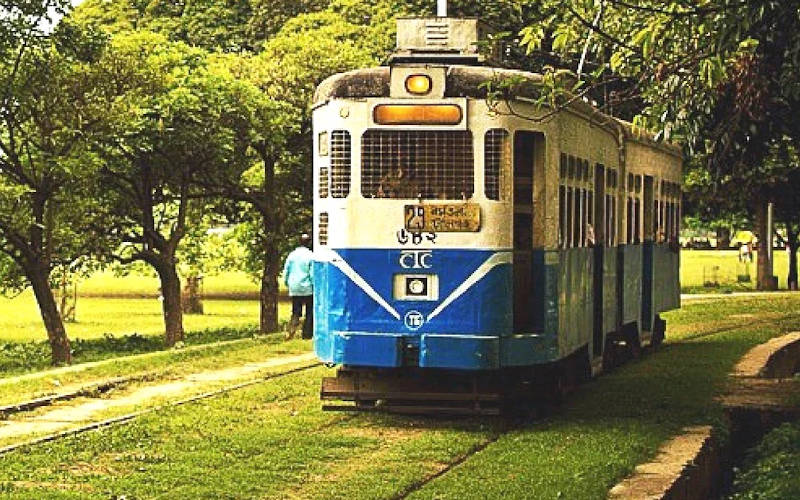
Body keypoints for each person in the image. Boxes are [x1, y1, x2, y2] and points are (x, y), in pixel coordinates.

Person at [282, 233, 314, 339]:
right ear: (309, 243)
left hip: (294, 287)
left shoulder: (292, 255)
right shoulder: (311, 256)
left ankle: (290, 332)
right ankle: (307, 335)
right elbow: (312, 273)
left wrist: (287, 283)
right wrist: (315, 285)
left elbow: (286, 271)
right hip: (307, 287)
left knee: (296, 311)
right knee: (309, 312)